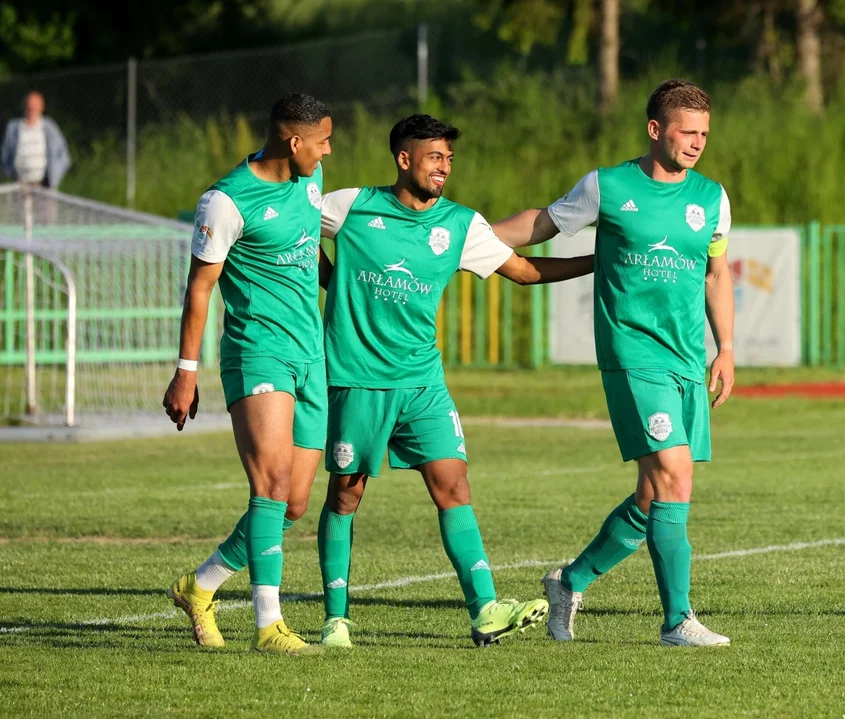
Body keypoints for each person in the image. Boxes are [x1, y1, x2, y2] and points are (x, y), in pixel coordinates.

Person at [314, 113, 593, 648]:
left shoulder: (461, 225)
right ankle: (336, 620)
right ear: (404, 159)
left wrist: (600, 260)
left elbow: (524, 272)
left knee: (454, 487)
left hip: (423, 382)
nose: (444, 167)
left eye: (448, 158)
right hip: (358, 379)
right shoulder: (352, 206)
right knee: (346, 496)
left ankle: (485, 608)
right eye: (434, 157)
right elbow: (292, 227)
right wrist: (330, 279)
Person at [492, 79, 735, 647]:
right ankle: (677, 621)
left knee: (655, 494)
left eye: (704, 133)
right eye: (686, 132)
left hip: (685, 358)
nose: (697, 143)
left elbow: (717, 273)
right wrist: (466, 234)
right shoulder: (608, 186)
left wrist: (725, 347)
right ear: (655, 129)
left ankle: (569, 582)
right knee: (674, 475)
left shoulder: (712, 197)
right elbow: (542, 224)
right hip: (632, 354)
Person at [162, 93, 333, 655]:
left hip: (311, 356)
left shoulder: (310, 180)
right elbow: (200, 289)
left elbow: (309, 248)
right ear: (293, 141)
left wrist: (343, 287)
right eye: (323, 141)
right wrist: (186, 373)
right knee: (271, 486)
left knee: (294, 503)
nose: (328, 151)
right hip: (257, 353)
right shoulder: (225, 201)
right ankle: (268, 625)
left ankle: (200, 585)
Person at [1, 91, 71, 189]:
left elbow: (64, 156)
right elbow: (5, 155)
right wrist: (9, 172)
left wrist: (55, 176)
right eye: (29, 106)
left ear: (41, 107)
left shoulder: (50, 127)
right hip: (20, 186)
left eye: (35, 106)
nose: (31, 109)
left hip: (44, 186)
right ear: (24, 107)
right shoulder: (13, 127)